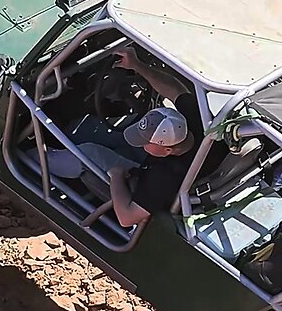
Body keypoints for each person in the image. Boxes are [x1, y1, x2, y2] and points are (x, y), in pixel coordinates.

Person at [43, 46, 228, 227]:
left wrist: (116, 175)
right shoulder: (201, 123)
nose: (141, 142)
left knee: (89, 153)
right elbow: (174, 89)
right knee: (95, 127)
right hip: (156, 163)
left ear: (167, 149)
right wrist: (137, 65)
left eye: (145, 142)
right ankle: (59, 132)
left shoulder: (163, 178)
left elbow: (127, 217)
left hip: (137, 186)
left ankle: (33, 158)